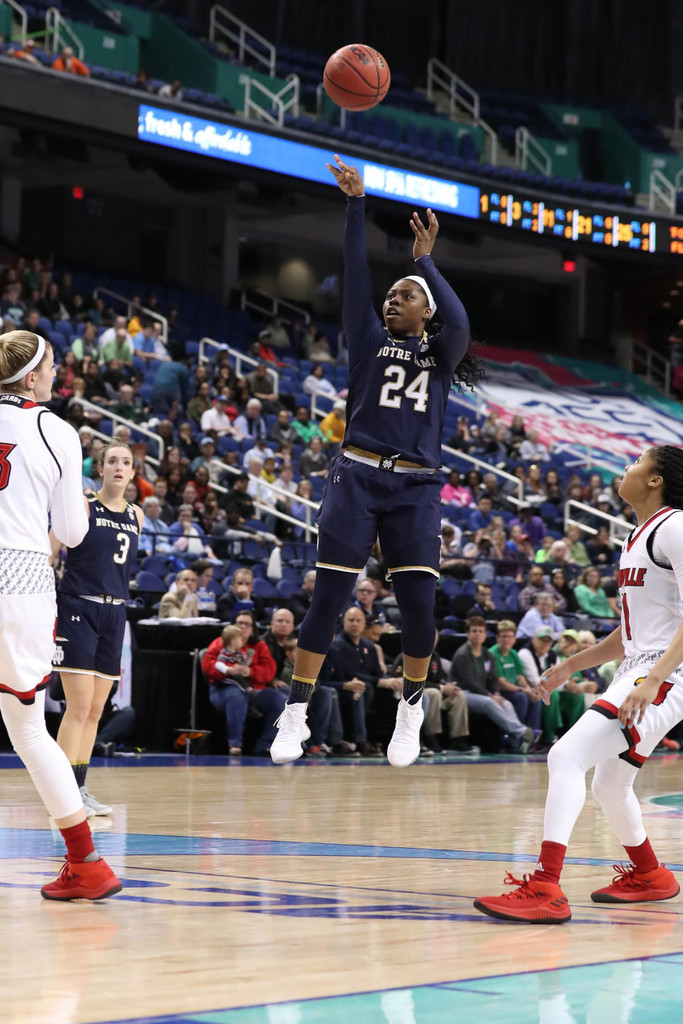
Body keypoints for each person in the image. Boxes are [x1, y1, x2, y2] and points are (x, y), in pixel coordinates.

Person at [270, 155, 478, 768]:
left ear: (426, 313)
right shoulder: (367, 340)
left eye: (406, 297)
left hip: (416, 489)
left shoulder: (443, 354)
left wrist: (424, 264)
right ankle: (296, 712)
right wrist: (356, 204)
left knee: (418, 609)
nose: (392, 301)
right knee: (329, 599)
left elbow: (459, 318)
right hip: (356, 475)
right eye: (391, 296)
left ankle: (411, 708)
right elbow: (355, 273)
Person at [474, 445, 683, 924]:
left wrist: (652, 681)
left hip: (668, 673)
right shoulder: (638, 535)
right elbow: (633, 631)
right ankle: (651, 875)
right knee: (611, 785)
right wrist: (574, 664)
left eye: (636, 462)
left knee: (565, 755)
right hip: (645, 665)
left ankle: (546, 886)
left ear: (656, 480)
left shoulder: (675, 525)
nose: (626, 468)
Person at [0, 328, 120, 899]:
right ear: (31, 378)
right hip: (19, 576)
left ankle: (88, 865)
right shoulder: (56, 430)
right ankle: (86, 864)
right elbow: (72, 532)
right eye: (52, 367)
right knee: (26, 727)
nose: (57, 375)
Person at [53, 442, 143, 817]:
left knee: (95, 709)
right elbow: (51, 550)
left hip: (115, 613)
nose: (119, 467)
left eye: (126, 463)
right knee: (78, 705)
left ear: (133, 473)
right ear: (101, 468)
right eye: (112, 461)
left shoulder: (137, 515)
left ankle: (79, 788)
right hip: (78, 606)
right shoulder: (84, 505)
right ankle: (59, 793)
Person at [203, 610, 283, 755]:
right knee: (237, 696)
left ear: (253, 629)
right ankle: (235, 744)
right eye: (240, 623)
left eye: (247, 624)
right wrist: (229, 670)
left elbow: (269, 671)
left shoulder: (259, 646)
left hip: (253, 688)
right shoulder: (220, 643)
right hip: (223, 688)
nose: (243, 627)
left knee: (281, 701)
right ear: (233, 626)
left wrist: (250, 672)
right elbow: (208, 665)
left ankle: (265, 744)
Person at [450, 616, 533, 753]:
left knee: (506, 704)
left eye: (481, 631)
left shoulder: (487, 654)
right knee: (490, 703)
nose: (477, 634)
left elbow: (493, 679)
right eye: (474, 631)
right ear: (468, 634)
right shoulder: (462, 655)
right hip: (463, 693)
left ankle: (517, 744)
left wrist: (496, 693)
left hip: (484, 693)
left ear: (485, 634)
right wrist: (491, 695)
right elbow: (470, 683)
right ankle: (522, 731)